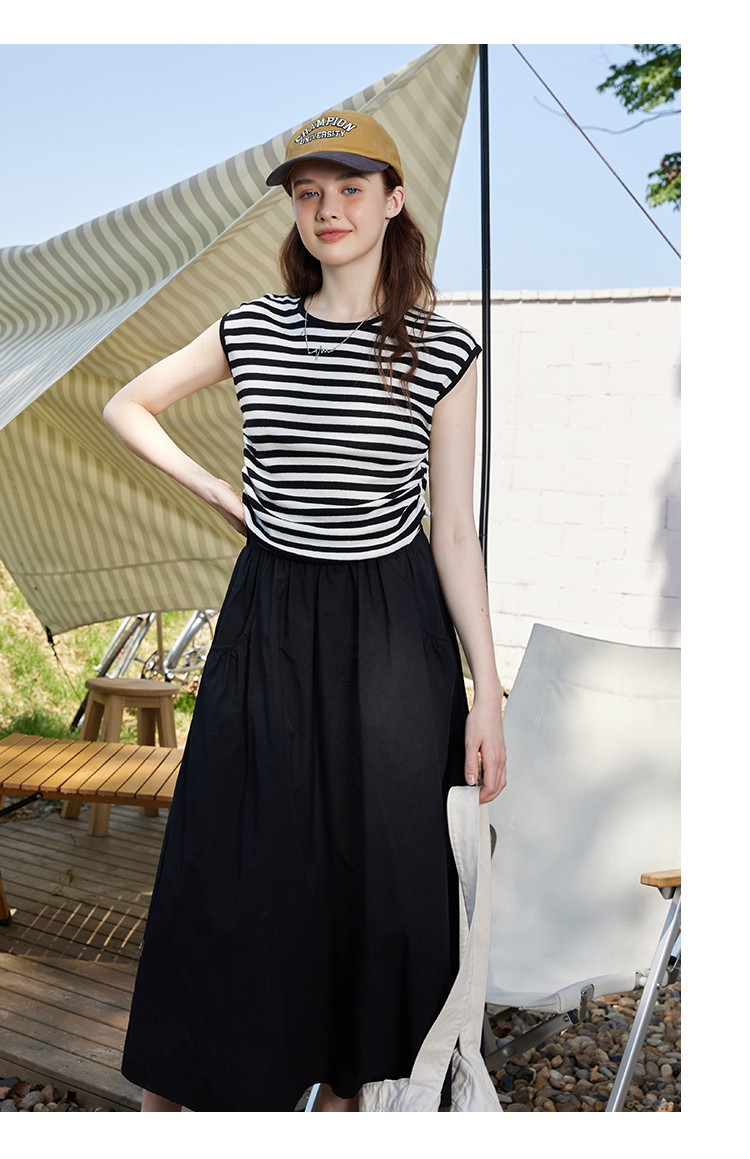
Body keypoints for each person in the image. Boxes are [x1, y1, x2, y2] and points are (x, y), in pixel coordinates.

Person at [105, 109, 507, 1113]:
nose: (328, 209)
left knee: (378, 873)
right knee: (233, 861)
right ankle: (184, 1092)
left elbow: (455, 534)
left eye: (350, 189)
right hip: (270, 619)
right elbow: (126, 404)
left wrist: (488, 693)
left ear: (394, 200)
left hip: (393, 631)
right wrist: (218, 491)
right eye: (309, 193)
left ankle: (340, 1098)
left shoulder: (446, 352)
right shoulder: (252, 327)